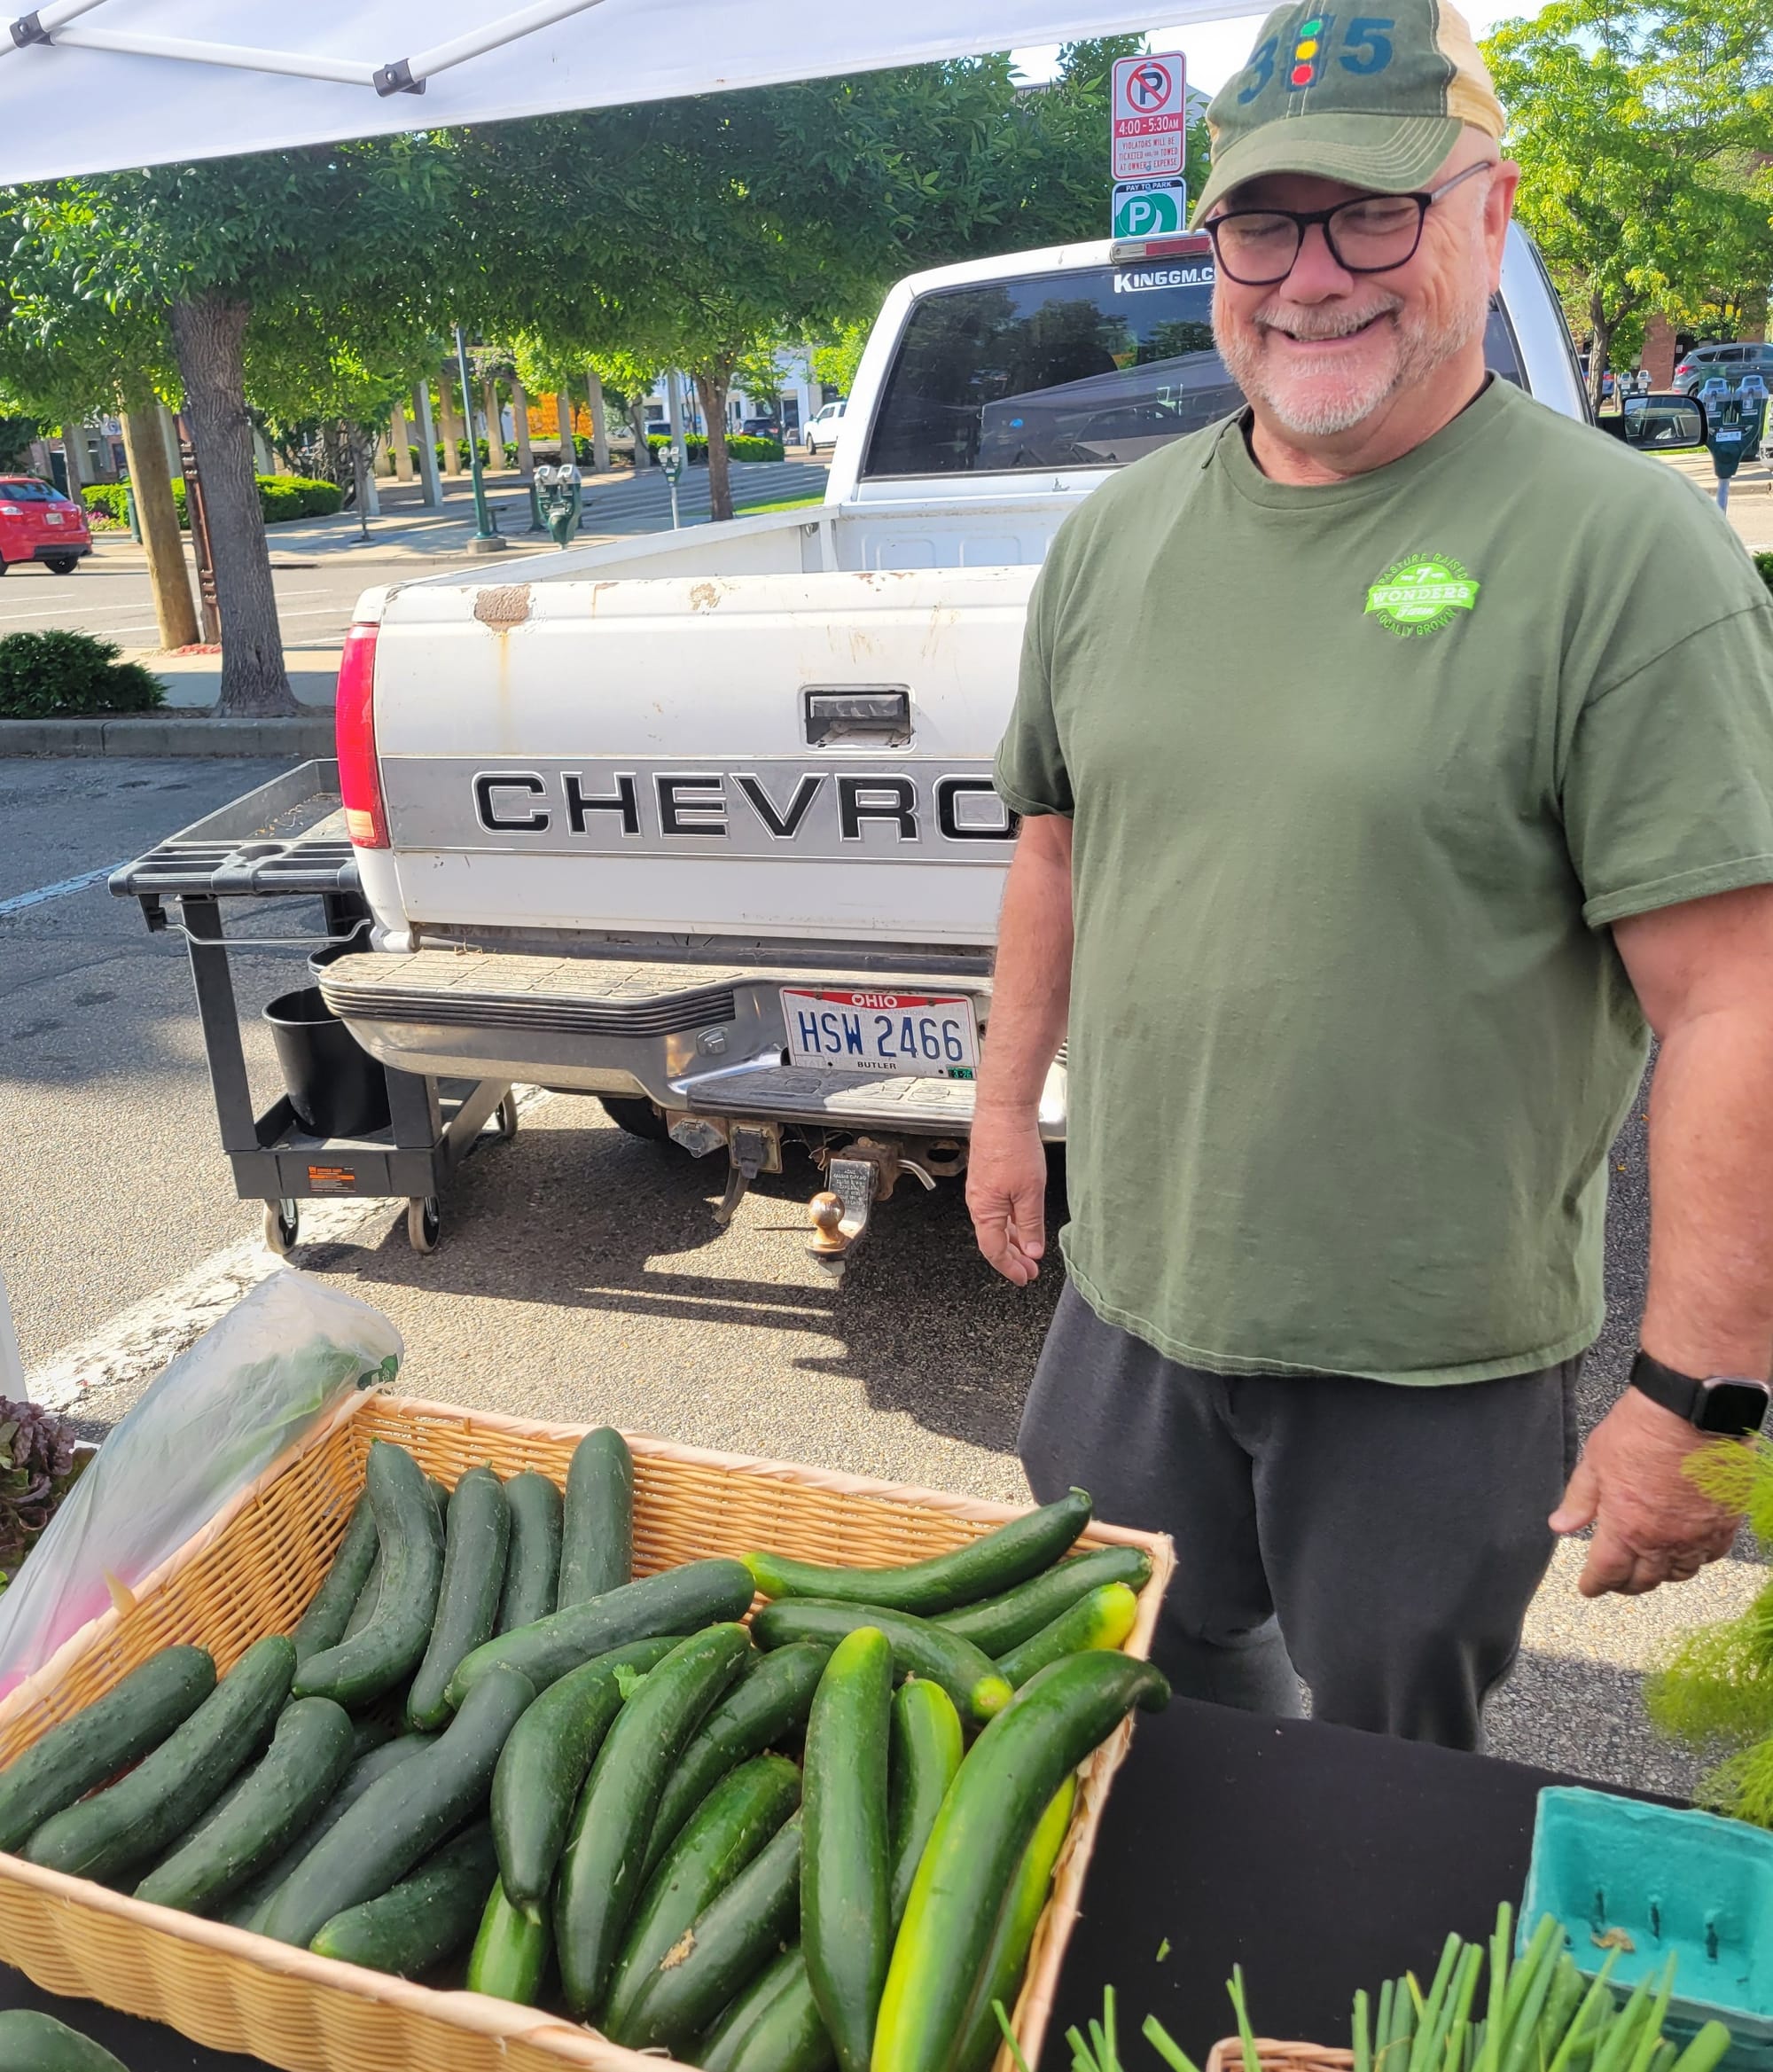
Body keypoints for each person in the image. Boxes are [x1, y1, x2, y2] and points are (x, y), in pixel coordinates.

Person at [967, 0, 1773, 1749]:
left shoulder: (1624, 554)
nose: (1311, 274)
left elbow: (1732, 997)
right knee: (1134, 1707)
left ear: (1486, 214)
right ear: (1212, 251)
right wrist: (999, 1105)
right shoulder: (1114, 536)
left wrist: (1696, 1394)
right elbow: (1056, 839)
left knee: (1389, 1787)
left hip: (1429, 1359)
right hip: (1134, 1305)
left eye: (1374, 213)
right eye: (1265, 220)